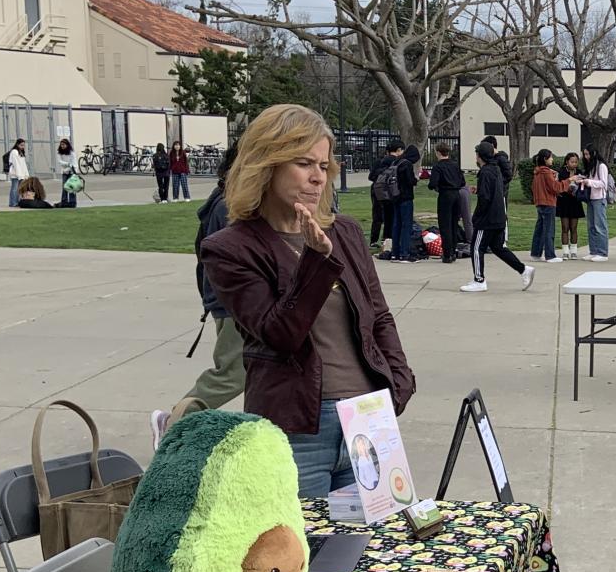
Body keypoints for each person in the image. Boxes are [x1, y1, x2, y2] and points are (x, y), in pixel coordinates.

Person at [201, 104, 415, 498]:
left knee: (378, 547)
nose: (317, 177)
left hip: (368, 418)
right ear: (267, 164)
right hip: (299, 428)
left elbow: (378, 315)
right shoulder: (231, 249)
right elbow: (280, 334)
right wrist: (316, 261)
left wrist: (399, 384)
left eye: (323, 165)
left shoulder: (345, 231)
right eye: (303, 163)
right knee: (308, 554)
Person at [166, 140, 246, 431]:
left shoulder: (229, 201)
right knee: (233, 374)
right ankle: (176, 422)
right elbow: (228, 264)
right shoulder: (228, 206)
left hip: (235, 303)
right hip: (234, 305)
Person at [463, 139, 535, 293]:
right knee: (498, 248)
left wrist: (476, 217)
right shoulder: (495, 169)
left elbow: (485, 198)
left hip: (487, 219)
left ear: (480, 156)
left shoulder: (485, 172)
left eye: (476, 154)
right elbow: (492, 191)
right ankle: (523, 269)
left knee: (476, 248)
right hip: (499, 217)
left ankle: (479, 280)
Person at [430, 145, 467, 263]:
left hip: (445, 195)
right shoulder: (455, 165)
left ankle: (447, 253)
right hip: (456, 194)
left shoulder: (438, 166)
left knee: (445, 224)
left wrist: (435, 186)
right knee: (454, 223)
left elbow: (433, 183)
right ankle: (453, 250)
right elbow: (462, 181)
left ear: (438, 153)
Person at [579, 146, 613, 260]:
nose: (586, 157)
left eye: (588, 154)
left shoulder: (601, 166)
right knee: (591, 226)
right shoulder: (590, 167)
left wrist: (589, 182)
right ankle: (593, 251)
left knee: (600, 226)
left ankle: (602, 252)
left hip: (599, 198)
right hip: (590, 198)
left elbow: (603, 183)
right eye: (585, 154)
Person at [530, 148, 561, 263]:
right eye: (551, 157)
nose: (552, 159)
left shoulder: (537, 172)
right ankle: (550, 255)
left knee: (540, 229)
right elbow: (555, 188)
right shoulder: (547, 172)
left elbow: (534, 188)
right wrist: (569, 181)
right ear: (545, 159)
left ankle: (536, 253)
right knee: (549, 229)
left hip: (540, 203)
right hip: (548, 203)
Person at [555, 151, 586, 259]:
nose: (574, 164)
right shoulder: (562, 172)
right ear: (567, 162)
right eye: (572, 162)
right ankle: (565, 251)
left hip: (575, 202)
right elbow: (558, 185)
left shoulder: (579, 172)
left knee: (574, 227)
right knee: (565, 227)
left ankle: (573, 251)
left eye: (576, 162)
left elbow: (583, 184)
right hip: (564, 201)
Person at [5, 139, 29, 208]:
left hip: (21, 174)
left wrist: (25, 174)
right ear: (17, 144)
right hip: (15, 174)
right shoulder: (14, 152)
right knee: (14, 188)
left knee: (19, 189)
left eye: (23, 145)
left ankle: (18, 201)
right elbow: (16, 164)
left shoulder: (21, 152)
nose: (23, 147)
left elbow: (23, 164)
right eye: (21, 145)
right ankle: (13, 203)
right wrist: (19, 175)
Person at [56, 136, 79, 208]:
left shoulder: (72, 153)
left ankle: (72, 202)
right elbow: (60, 161)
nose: (62, 146)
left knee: (71, 187)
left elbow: (73, 163)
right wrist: (67, 164)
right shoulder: (59, 153)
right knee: (64, 187)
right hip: (64, 172)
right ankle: (64, 201)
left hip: (71, 172)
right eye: (61, 145)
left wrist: (71, 169)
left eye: (64, 145)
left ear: (67, 145)